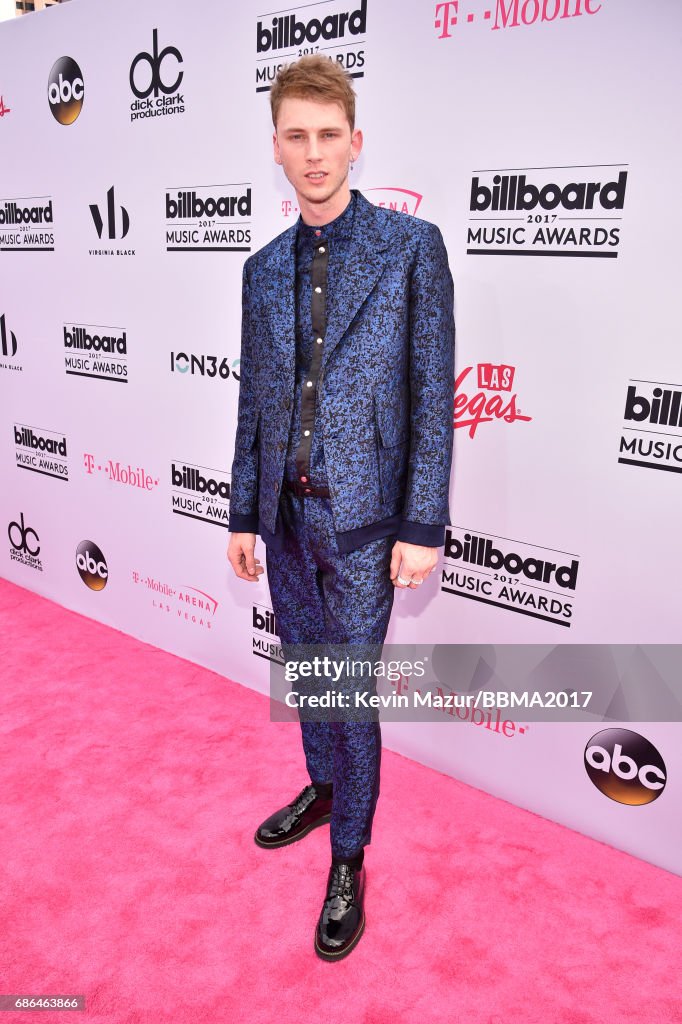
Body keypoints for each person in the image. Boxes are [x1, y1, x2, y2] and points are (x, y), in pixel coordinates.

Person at [227, 54, 455, 961]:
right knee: (308, 677)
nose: (314, 154)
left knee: (350, 696)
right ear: (275, 148)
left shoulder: (411, 249)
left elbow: (432, 395)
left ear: (355, 144)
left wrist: (422, 525)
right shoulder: (259, 269)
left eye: (330, 136)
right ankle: (323, 788)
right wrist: (243, 512)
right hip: (284, 519)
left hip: (366, 530)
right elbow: (253, 398)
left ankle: (351, 855)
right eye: (297, 137)